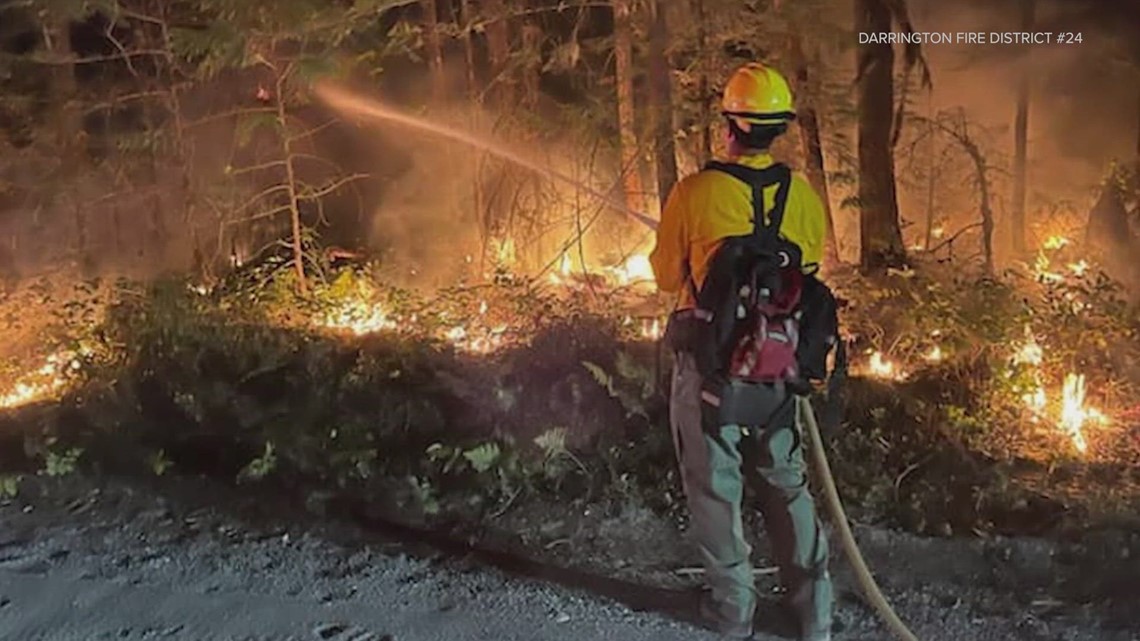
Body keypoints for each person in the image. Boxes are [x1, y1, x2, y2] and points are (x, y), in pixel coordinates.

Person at [649, 62, 833, 641]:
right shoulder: (802, 199)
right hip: (777, 368)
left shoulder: (694, 190)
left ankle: (733, 612)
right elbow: (805, 273)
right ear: (779, 128)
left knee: (713, 488)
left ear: (729, 122)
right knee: (787, 483)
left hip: (706, 368)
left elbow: (662, 277)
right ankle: (814, 614)